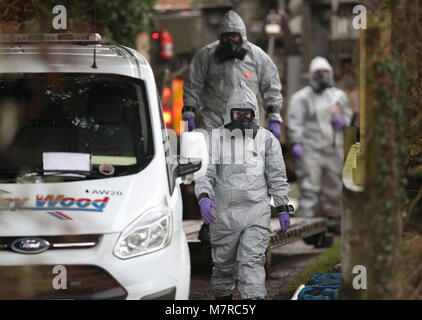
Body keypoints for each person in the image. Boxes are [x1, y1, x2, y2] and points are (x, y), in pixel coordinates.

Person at [195, 81, 291, 300]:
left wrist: (283, 207)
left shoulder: (267, 140)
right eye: (238, 113)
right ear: (230, 113)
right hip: (224, 214)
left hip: (256, 212)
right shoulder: (216, 138)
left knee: (251, 263)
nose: (242, 118)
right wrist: (203, 197)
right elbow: (205, 172)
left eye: (247, 113)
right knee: (223, 267)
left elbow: (277, 176)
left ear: (254, 113)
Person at [182, 10, 283, 139]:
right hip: (213, 120)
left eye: (234, 36)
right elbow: (192, 85)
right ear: (220, 37)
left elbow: (271, 87)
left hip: (246, 120)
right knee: (212, 157)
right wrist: (189, 112)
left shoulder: (258, 58)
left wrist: (274, 118)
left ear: (242, 36)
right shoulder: (206, 56)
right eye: (226, 37)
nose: (230, 41)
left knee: (244, 158)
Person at [286, 56, 353, 234]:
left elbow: (347, 115)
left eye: (325, 72)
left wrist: (344, 123)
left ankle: (334, 220)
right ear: (311, 76)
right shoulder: (301, 98)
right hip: (310, 149)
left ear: (330, 74)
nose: (322, 76)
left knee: (334, 185)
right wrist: (297, 142)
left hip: (332, 148)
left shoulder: (337, 96)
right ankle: (305, 223)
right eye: (318, 73)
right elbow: (295, 121)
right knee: (309, 186)